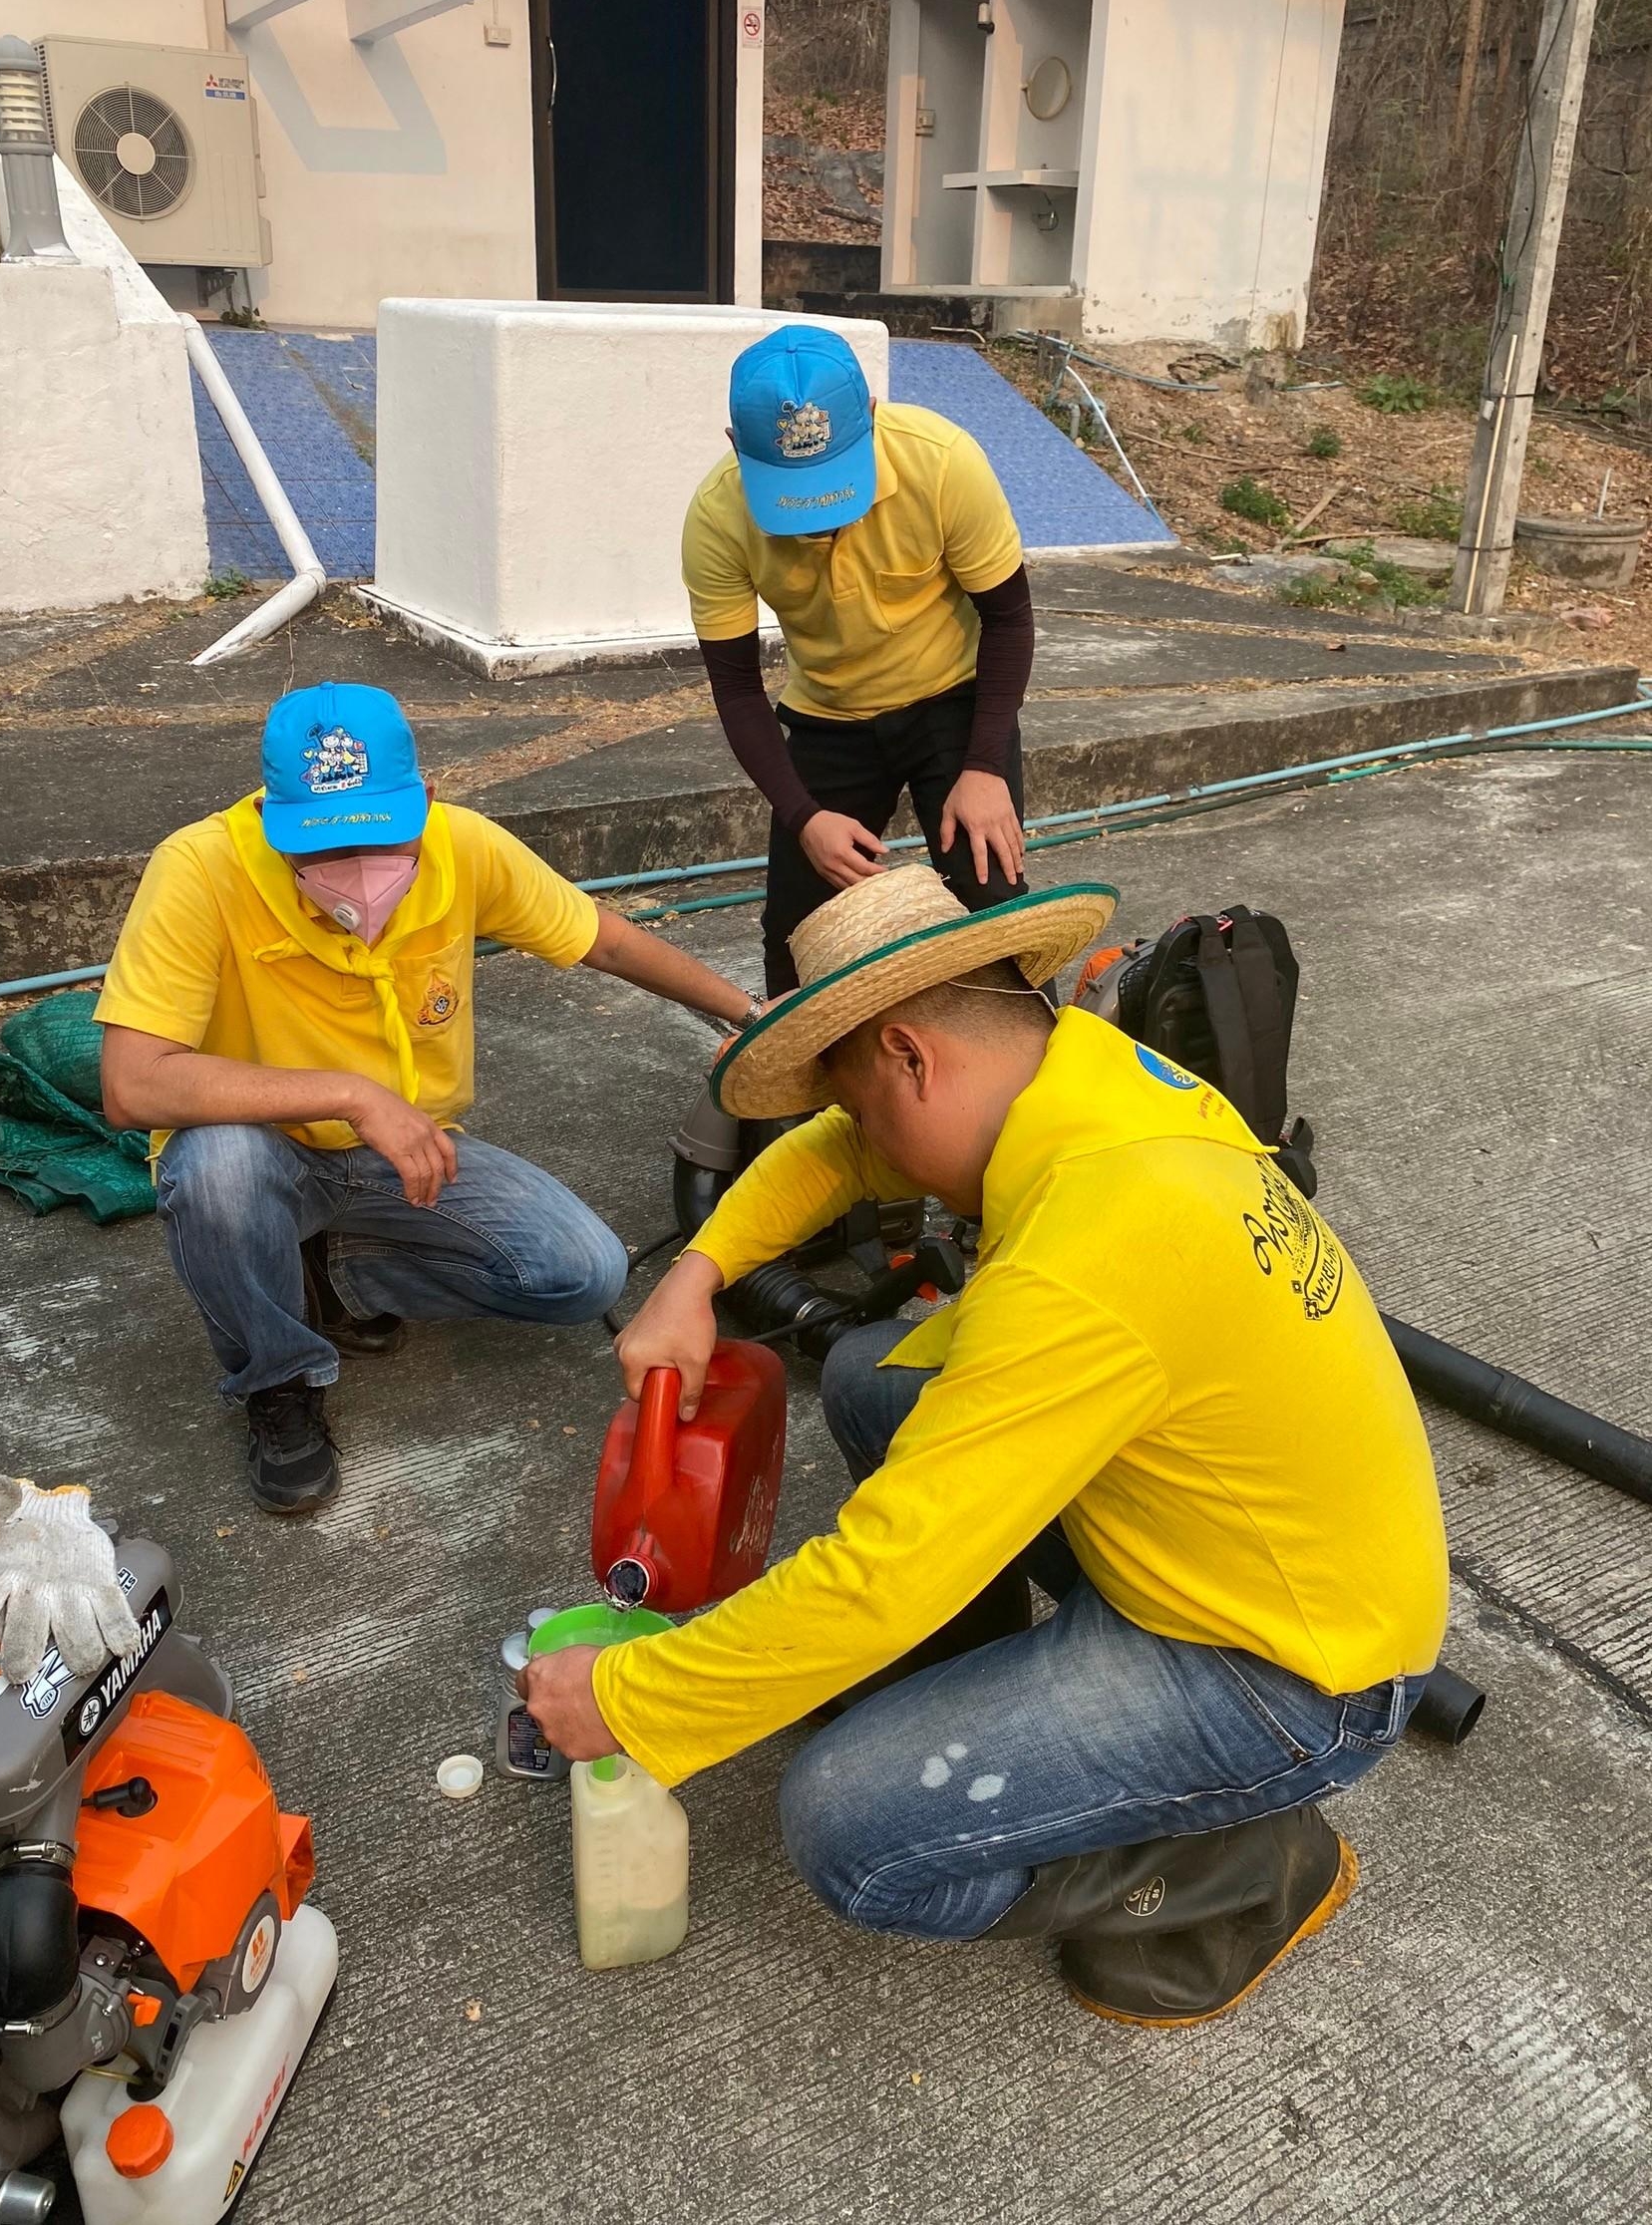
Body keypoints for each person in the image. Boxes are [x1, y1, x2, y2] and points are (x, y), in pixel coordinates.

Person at [521, 865, 1450, 2025]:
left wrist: (634, 1698)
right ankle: (971, 1685)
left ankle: (1252, 1867)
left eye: (866, 1106)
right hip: (1233, 1549)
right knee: (874, 1377)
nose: (864, 1142)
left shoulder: (1087, 1250)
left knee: (848, 1828)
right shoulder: (1085, 1072)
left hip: (1290, 1677)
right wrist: (696, 1274)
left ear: (909, 1056)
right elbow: (836, 1152)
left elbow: (886, 1571)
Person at [96, 681, 758, 1516]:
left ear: (428, 800)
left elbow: (609, 943)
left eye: (380, 836)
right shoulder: (199, 866)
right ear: (269, 818)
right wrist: (350, 1093)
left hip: (400, 1151)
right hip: (262, 1147)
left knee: (582, 1274)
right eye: (320, 847)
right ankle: (279, 1378)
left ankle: (328, 1277)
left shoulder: (464, 847)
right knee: (215, 1173)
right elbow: (132, 1082)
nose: (355, 871)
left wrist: (747, 1014)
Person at [683, 323, 1036, 998]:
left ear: (871, 414)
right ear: (735, 444)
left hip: (953, 699)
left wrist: (986, 767)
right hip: (830, 717)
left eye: (833, 482)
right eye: (793, 493)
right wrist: (802, 816)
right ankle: (805, 1069)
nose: (820, 519)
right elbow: (736, 686)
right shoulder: (717, 515)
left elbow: (1009, 616)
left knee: (993, 903)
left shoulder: (943, 461)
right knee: (797, 934)